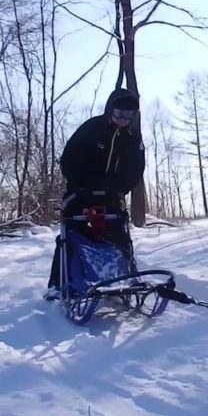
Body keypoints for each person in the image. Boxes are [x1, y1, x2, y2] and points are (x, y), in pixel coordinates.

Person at [44, 88, 145, 300]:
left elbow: (136, 169)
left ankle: (123, 278)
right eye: (119, 113)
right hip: (80, 194)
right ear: (110, 109)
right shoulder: (92, 128)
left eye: (128, 115)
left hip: (112, 197)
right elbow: (69, 159)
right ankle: (59, 284)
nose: (123, 119)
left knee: (119, 236)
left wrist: (119, 188)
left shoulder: (132, 137)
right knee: (71, 235)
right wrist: (83, 184)